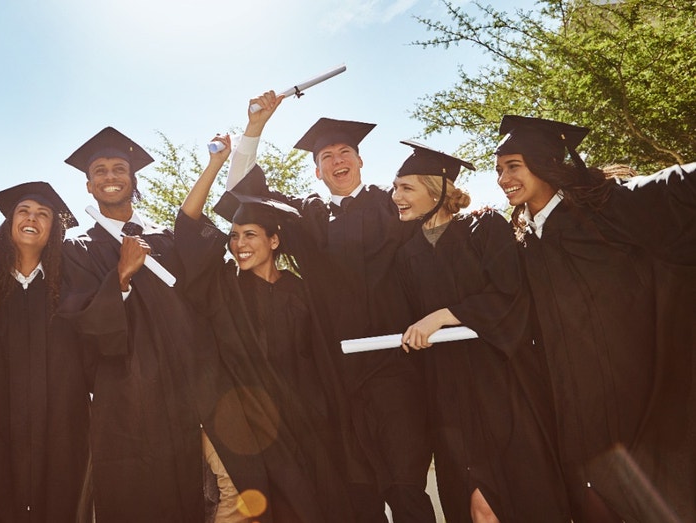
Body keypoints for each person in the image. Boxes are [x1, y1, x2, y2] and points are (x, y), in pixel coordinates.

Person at [226, 93, 432, 522]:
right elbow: (244, 189)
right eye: (326, 155)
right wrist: (255, 127)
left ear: (360, 161)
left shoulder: (394, 202)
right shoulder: (306, 215)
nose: (337, 160)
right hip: (335, 378)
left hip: (397, 366)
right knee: (357, 495)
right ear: (316, 170)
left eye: (345, 152)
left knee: (406, 486)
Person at [494, 115, 696, 522]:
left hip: (635, 390)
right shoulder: (523, 240)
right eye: (498, 169)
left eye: (513, 165)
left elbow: (676, 186)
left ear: (544, 160)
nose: (503, 178)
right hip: (575, 402)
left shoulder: (602, 207)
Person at [173, 134, 356, 521]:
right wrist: (214, 165)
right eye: (235, 237)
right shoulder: (222, 287)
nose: (239, 244)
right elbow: (188, 226)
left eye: (250, 235)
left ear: (274, 240)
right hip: (251, 425)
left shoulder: (300, 292)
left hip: (309, 424)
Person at [390, 141, 570, 522]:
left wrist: (442, 315)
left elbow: (512, 295)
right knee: (472, 506)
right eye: (395, 188)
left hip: (501, 384)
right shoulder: (407, 254)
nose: (396, 197)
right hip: (448, 393)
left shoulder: (483, 227)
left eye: (406, 188)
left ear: (436, 188)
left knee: (519, 493)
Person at [59, 127, 209, 522]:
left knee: (186, 496)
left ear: (133, 179)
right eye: (100, 171)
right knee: (130, 498)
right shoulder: (78, 249)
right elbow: (80, 320)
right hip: (120, 398)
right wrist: (121, 276)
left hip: (178, 391)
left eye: (119, 168)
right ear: (89, 186)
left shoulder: (167, 240)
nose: (110, 177)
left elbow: (201, 298)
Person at [0, 181, 92, 522]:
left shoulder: (70, 286)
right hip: (2, 415)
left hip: (63, 420)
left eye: (43, 214)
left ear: (54, 229)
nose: (32, 218)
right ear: (9, 222)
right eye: (23, 211)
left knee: (64, 501)